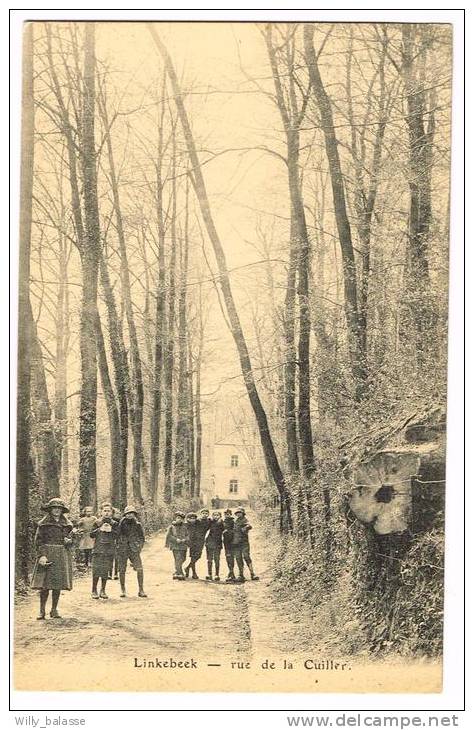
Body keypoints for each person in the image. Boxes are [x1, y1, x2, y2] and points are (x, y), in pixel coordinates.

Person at [31, 497, 75, 619]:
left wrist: (69, 541)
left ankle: (54, 610)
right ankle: (41, 611)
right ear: (50, 509)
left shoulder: (67, 524)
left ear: (62, 510)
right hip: (47, 553)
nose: (56, 510)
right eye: (54, 508)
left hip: (61, 554)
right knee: (44, 585)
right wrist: (42, 555)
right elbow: (38, 541)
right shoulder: (43, 524)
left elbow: (72, 541)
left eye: (59, 508)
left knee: (57, 584)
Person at [117, 505, 147, 598]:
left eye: (132, 513)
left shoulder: (137, 524)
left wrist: (139, 547)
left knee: (139, 569)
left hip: (134, 549)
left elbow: (142, 538)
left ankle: (141, 589)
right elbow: (117, 536)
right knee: (122, 570)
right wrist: (118, 546)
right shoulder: (121, 524)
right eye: (128, 514)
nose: (130, 515)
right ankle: (123, 589)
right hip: (123, 549)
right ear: (125, 514)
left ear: (134, 515)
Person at [90, 503, 119, 599]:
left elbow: (118, 535)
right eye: (105, 511)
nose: (106, 513)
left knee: (105, 570)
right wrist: (99, 529)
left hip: (109, 550)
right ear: (101, 512)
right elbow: (91, 534)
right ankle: (94, 590)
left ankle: (103, 590)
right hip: (98, 549)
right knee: (96, 570)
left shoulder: (114, 523)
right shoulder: (97, 522)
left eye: (108, 511)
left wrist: (111, 530)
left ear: (112, 512)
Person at [232, 507, 259, 582]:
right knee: (238, 558)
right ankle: (240, 575)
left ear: (243, 513)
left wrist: (246, 528)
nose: (238, 514)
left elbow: (249, 525)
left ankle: (252, 573)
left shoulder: (245, 520)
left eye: (240, 513)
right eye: (237, 513)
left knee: (246, 556)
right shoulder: (234, 521)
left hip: (244, 542)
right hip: (236, 542)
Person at [184, 509, 210, 579]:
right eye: (203, 513)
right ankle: (194, 573)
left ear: (208, 514)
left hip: (201, 541)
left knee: (198, 556)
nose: (205, 514)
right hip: (193, 541)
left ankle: (187, 568)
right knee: (193, 557)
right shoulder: (197, 521)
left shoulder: (209, 521)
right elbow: (187, 523)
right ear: (200, 514)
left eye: (206, 513)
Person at [165, 510, 189, 580]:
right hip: (175, 545)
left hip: (183, 545)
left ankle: (176, 571)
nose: (179, 519)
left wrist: (185, 539)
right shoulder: (172, 527)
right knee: (177, 559)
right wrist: (176, 540)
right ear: (175, 518)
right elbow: (169, 536)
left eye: (181, 518)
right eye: (178, 518)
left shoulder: (184, 527)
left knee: (183, 558)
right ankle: (180, 573)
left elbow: (187, 535)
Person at [205, 510, 224, 581]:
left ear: (220, 516)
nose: (216, 516)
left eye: (217, 515)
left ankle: (217, 574)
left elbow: (225, 529)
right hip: (209, 542)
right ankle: (209, 574)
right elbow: (205, 527)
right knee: (209, 559)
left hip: (218, 543)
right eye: (214, 515)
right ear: (212, 516)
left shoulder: (222, 523)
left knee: (217, 559)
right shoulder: (210, 522)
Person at [108, 505, 122, 580]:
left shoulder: (118, 521)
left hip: (116, 540)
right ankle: (109, 573)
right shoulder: (106, 520)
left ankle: (116, 573)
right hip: (108, 540)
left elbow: (120, 531)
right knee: (109, 557)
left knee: (116, 557)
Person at [222, 508, 236, 583]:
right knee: (228, 556)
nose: (227, 515)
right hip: (226, 542)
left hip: (232, 541)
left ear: (230, 514)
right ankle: (231, 572)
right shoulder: (223, 522)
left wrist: (229, 531)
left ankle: (232, 573)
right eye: (225, 514)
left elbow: (236, 530)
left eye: (228, 514)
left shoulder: (233, 522)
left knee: (231, 557)